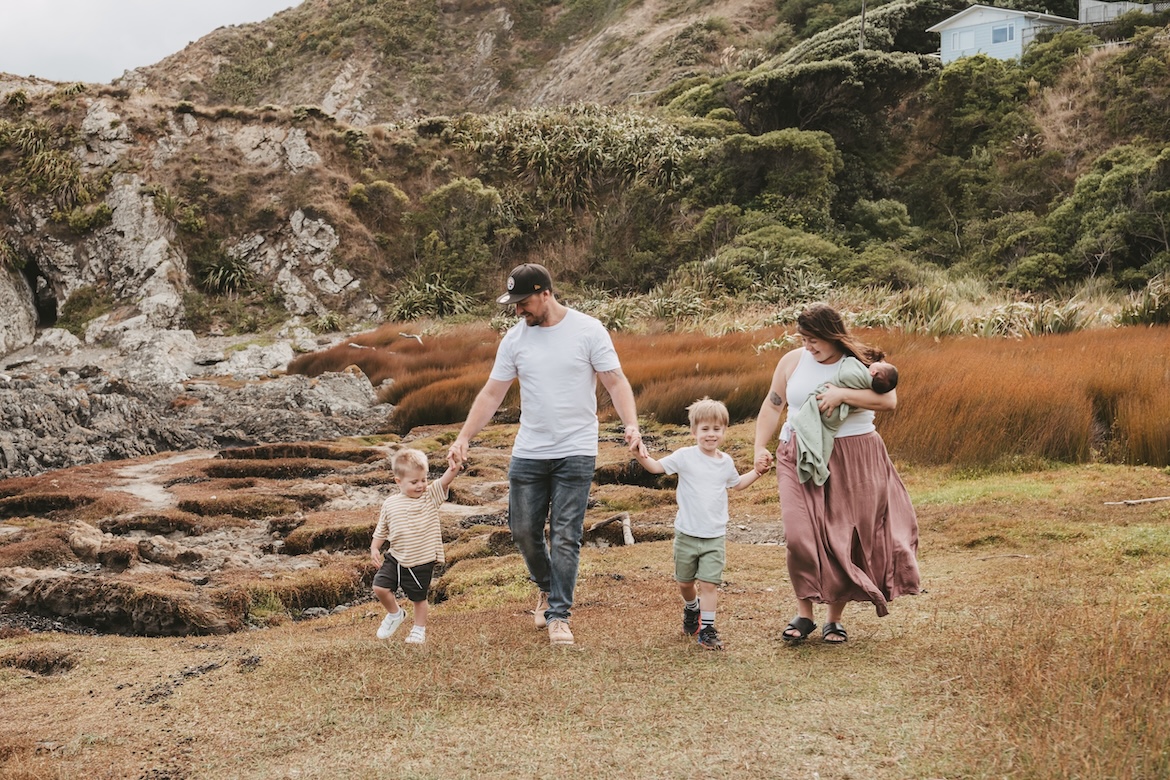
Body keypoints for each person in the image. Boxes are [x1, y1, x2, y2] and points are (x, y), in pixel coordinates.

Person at [447, 263, 645, 646]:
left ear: (546, 294)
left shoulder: (588, 330)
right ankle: (546, 586)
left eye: (524, 302)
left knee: (566, 535)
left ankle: (559, 616)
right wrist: (463, 438)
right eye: (514, 303)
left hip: (577, 449)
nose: (518, 310)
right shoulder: (515, 340)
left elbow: (615, 382)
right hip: (530, 449)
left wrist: (631, 425)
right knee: (523, 530)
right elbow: (492, 393)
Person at [753, 303, 919, 644]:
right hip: (799, 453)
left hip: (854, 455)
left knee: (844, 535)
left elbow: (888, 402)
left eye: (813, 339)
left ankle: (834, 619)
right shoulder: (792, 361)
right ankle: (804, 613)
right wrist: (758, 447)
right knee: (798, 534)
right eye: (803, 339)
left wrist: (842, 394)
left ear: (832, 335)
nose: (808, 346)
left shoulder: (863, 362)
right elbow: (773, 404)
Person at [630, 397, 765, 650]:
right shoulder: (685, 456)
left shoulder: (726, 462)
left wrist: (757, 472)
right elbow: (656, 467)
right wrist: (639, 455)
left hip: (714, 536)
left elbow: (737, 484)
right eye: (705, 429)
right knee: (685, 583)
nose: (711, 434)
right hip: (687, 534)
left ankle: (707, 630)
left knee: (709, 584)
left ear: (724, 431)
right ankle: (692, 609)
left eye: (716, 429)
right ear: (694, 431)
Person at [370, 448, 459, 645]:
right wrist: (375, 548)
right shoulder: (390, 504)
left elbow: (445, 480)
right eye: (414, 482)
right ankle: (395, 614)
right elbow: (382, 529)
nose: (420, 485)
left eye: (423, 480)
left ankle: (419, 630)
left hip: (421, 560)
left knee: (419, 598)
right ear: (398, 481)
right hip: (395, 557)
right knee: (379, 587)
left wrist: (456, 464)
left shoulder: (430, 496)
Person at [788, 356, 898, 487]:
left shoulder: (859, 368)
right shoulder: (874, 384)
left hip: (834, 417)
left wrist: (841, 394)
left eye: (880, 364)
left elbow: (848, 370)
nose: (879, 362)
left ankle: (813, 461)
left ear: (873, 372)